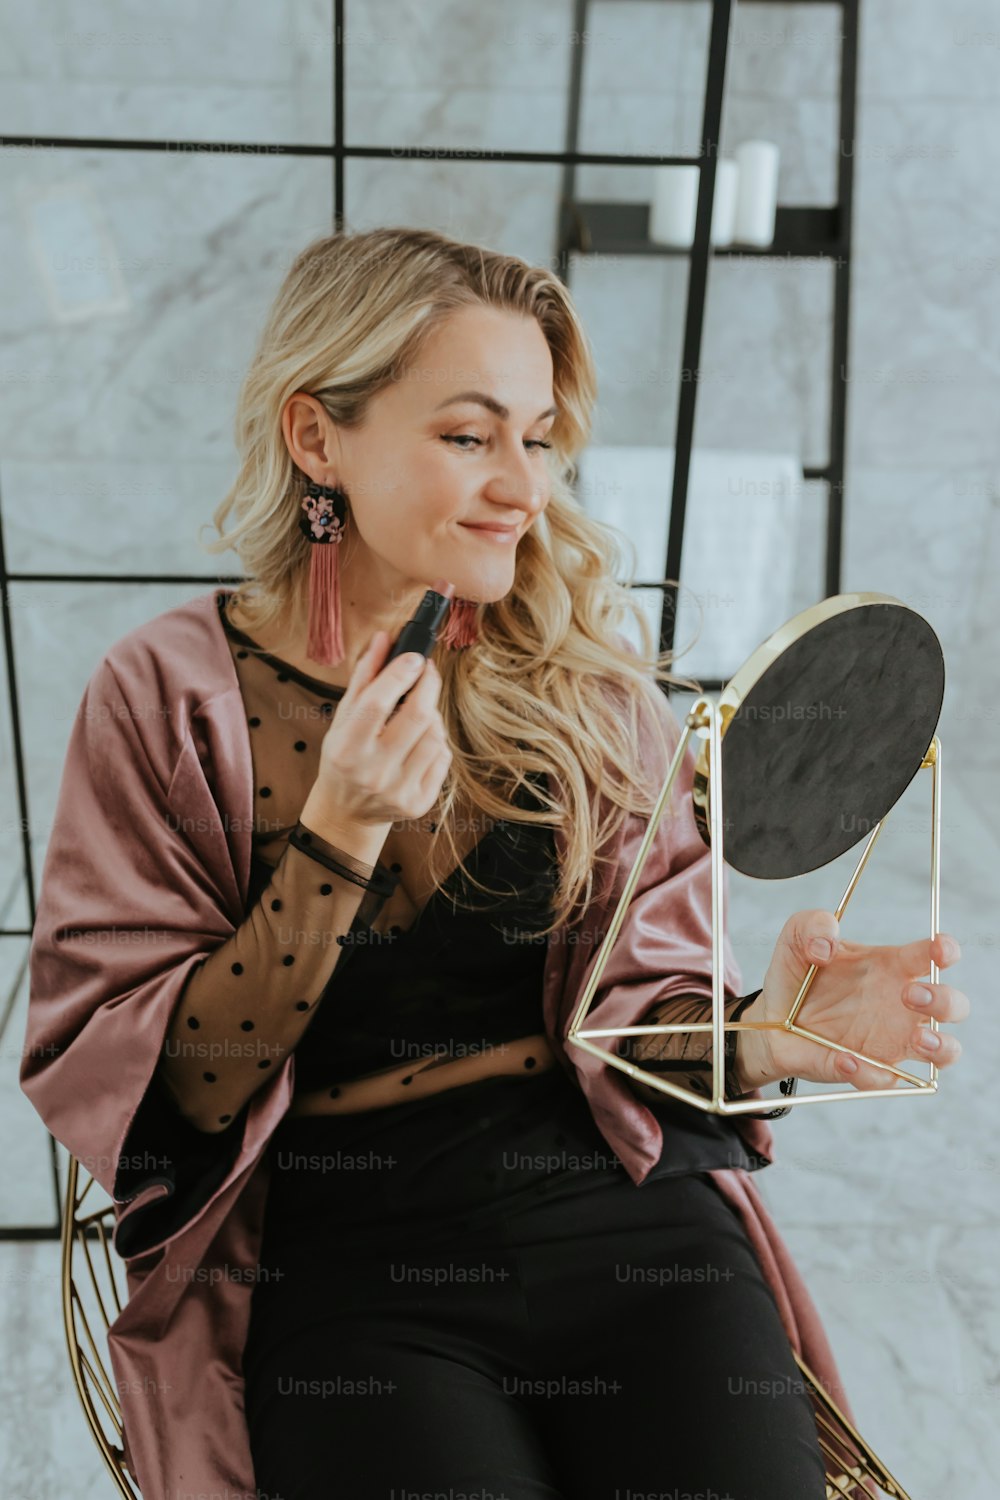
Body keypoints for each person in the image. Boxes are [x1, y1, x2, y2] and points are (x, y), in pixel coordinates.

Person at [23, 226, 968, 1500]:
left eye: (537, 436)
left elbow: (638, 1028)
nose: (522, 485)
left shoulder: (589, 694)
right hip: (347, 1270)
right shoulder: (164, 697)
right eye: (469, 436)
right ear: (318, 439)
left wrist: (765, 1039)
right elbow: (165, 1094)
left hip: (629, 1234)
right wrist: (339, 833)